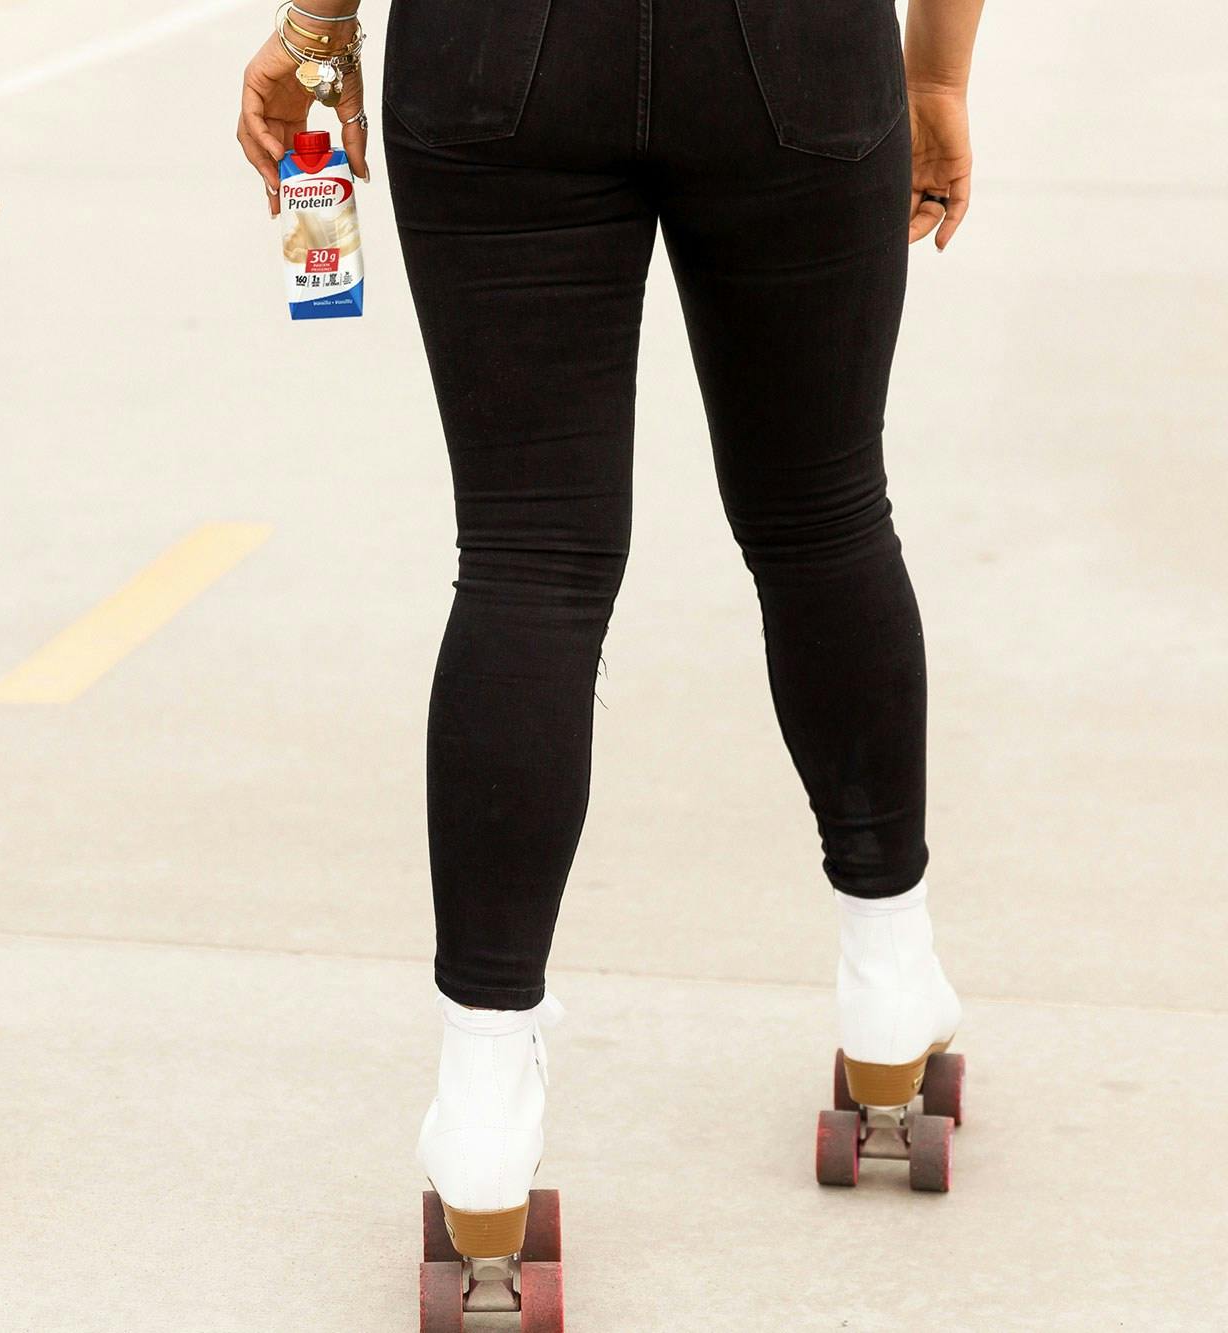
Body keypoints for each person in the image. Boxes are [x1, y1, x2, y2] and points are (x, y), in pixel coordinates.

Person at [237, 0, 984, 1277]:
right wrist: (934, 74)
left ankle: (480, 1106)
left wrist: (315, 24)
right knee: (820, 518)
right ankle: (885, 988)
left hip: (496, 57)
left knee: (527, 559)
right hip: (789, 57)